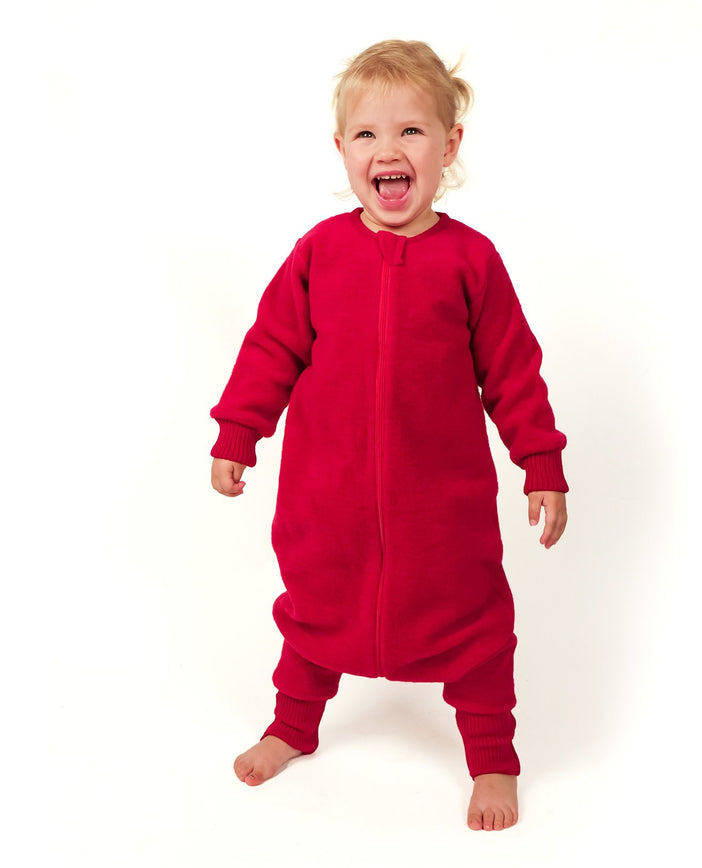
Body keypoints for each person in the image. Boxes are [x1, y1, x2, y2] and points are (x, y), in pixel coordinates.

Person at [209, 39, 568, 832]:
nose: (389, 150)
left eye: (411, 130)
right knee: (312, 615)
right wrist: (238, 430)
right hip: (328, 501)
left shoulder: (471, 261)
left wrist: (540, 460)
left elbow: (513, 370)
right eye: (368, 134)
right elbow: (271, 347)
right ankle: (292, 726)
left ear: (449, 144)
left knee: (475, 631)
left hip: (441, 514)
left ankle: (492, 757)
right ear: (341, 148)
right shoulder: (319, 254)